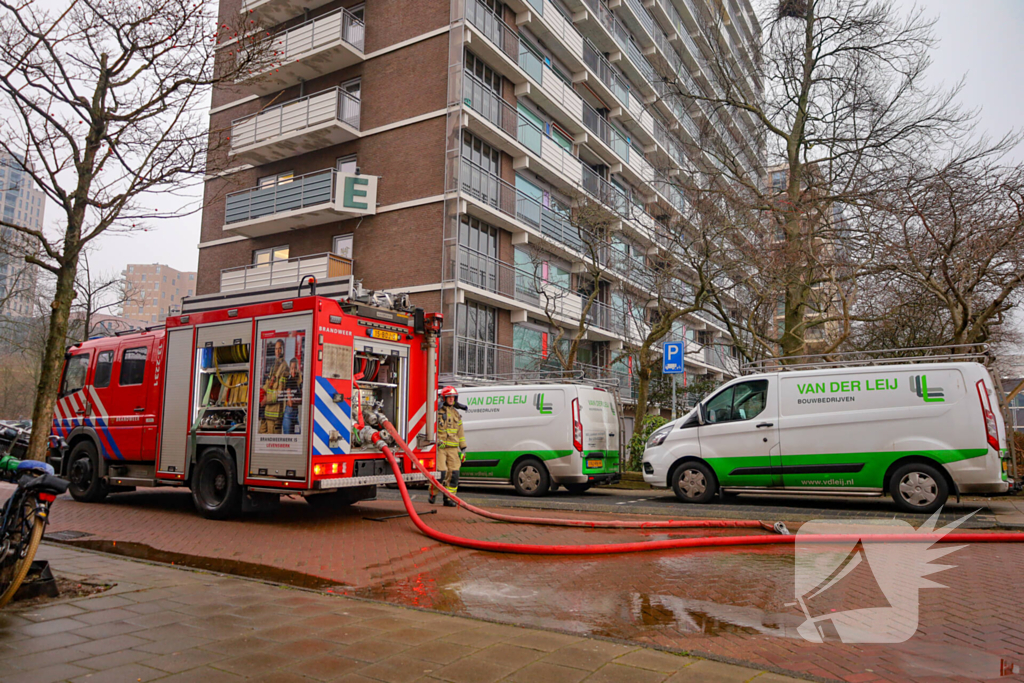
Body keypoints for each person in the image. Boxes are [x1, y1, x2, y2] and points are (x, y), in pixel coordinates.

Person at [430, 386, 466, 507]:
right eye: (449, 397)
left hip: (453, 449)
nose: (451, 399)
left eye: (453, 397)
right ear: (443, 398)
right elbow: (432, 428)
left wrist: (463, 448)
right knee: (441, 473)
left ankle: (449, 498)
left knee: (454, 474)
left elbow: (460, 432)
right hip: (440, 448)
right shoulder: (437, 412)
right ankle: (433, 493)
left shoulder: (456, 413)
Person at [259, 340, 288, 434]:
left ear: (283, 350)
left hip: (275, 415)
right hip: (266, 413)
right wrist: (259, 393)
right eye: (276, 348)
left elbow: (280, 394)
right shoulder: (274, 366)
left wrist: (265, 400)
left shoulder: (284, 368)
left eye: (280, 348)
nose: (278, 351)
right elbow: (268, 383)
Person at [282, 358, 302, 435]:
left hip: (295, 415)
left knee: (298, 437)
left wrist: (295, 401)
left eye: (295, 368)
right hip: (289, 415)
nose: (293, 370)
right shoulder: (289, 381)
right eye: (292, 368)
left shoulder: (298, 382)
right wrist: (297, 401)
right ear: (290, 368)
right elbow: (290, 403)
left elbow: (303, 400)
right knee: (288, 438)